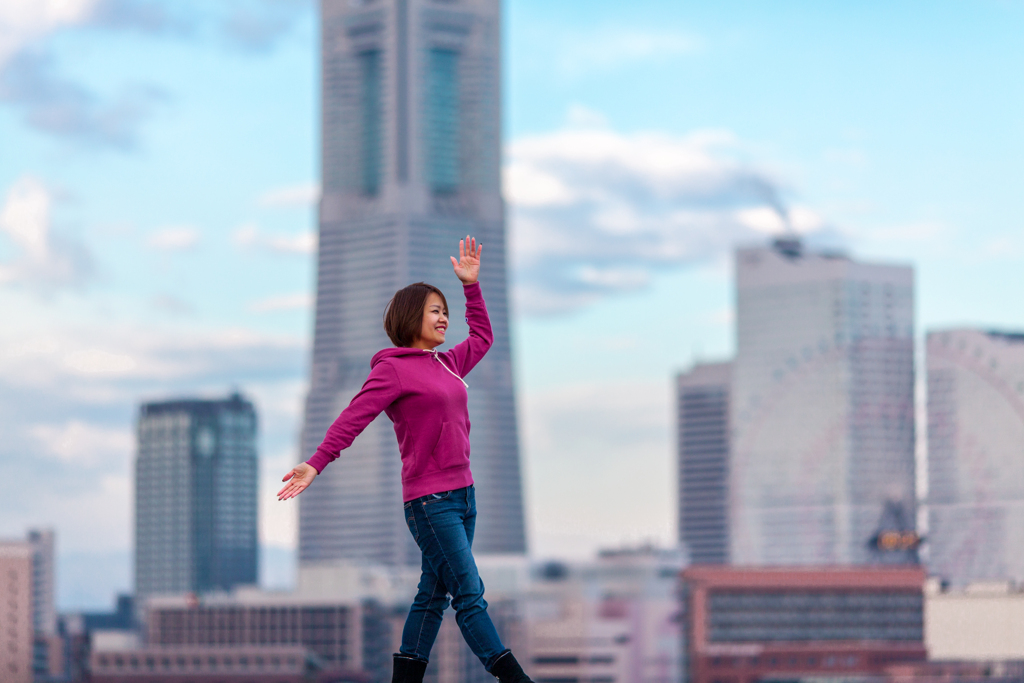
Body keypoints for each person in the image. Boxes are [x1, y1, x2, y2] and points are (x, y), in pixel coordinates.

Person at [278, 236, 533, 683]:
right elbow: (352, 418)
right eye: (435, 310)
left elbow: (484, 338)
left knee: (431, 596)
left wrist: (471, 287)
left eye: (445, 311)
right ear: (411, 316)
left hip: (464, 496)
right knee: (469, 595)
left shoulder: (448, 364)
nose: (444, 318)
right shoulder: (392, 369)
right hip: (431, 502)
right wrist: (316, 463)